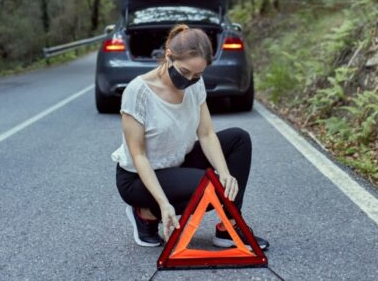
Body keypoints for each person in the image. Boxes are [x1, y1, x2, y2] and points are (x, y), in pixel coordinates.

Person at [111, 23, 269, 250]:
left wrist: (225, 173)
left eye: (198, 74)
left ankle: (230, 226)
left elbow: (205, 133)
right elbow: (139, 155)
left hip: (177, 161)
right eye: (185, 72)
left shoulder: (195, 83)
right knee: (210, 187)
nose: (190, 79)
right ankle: (146, 213)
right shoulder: (138, 92)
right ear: (168, 56)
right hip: (138, 177)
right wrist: (164, 205)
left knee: (238, 139)